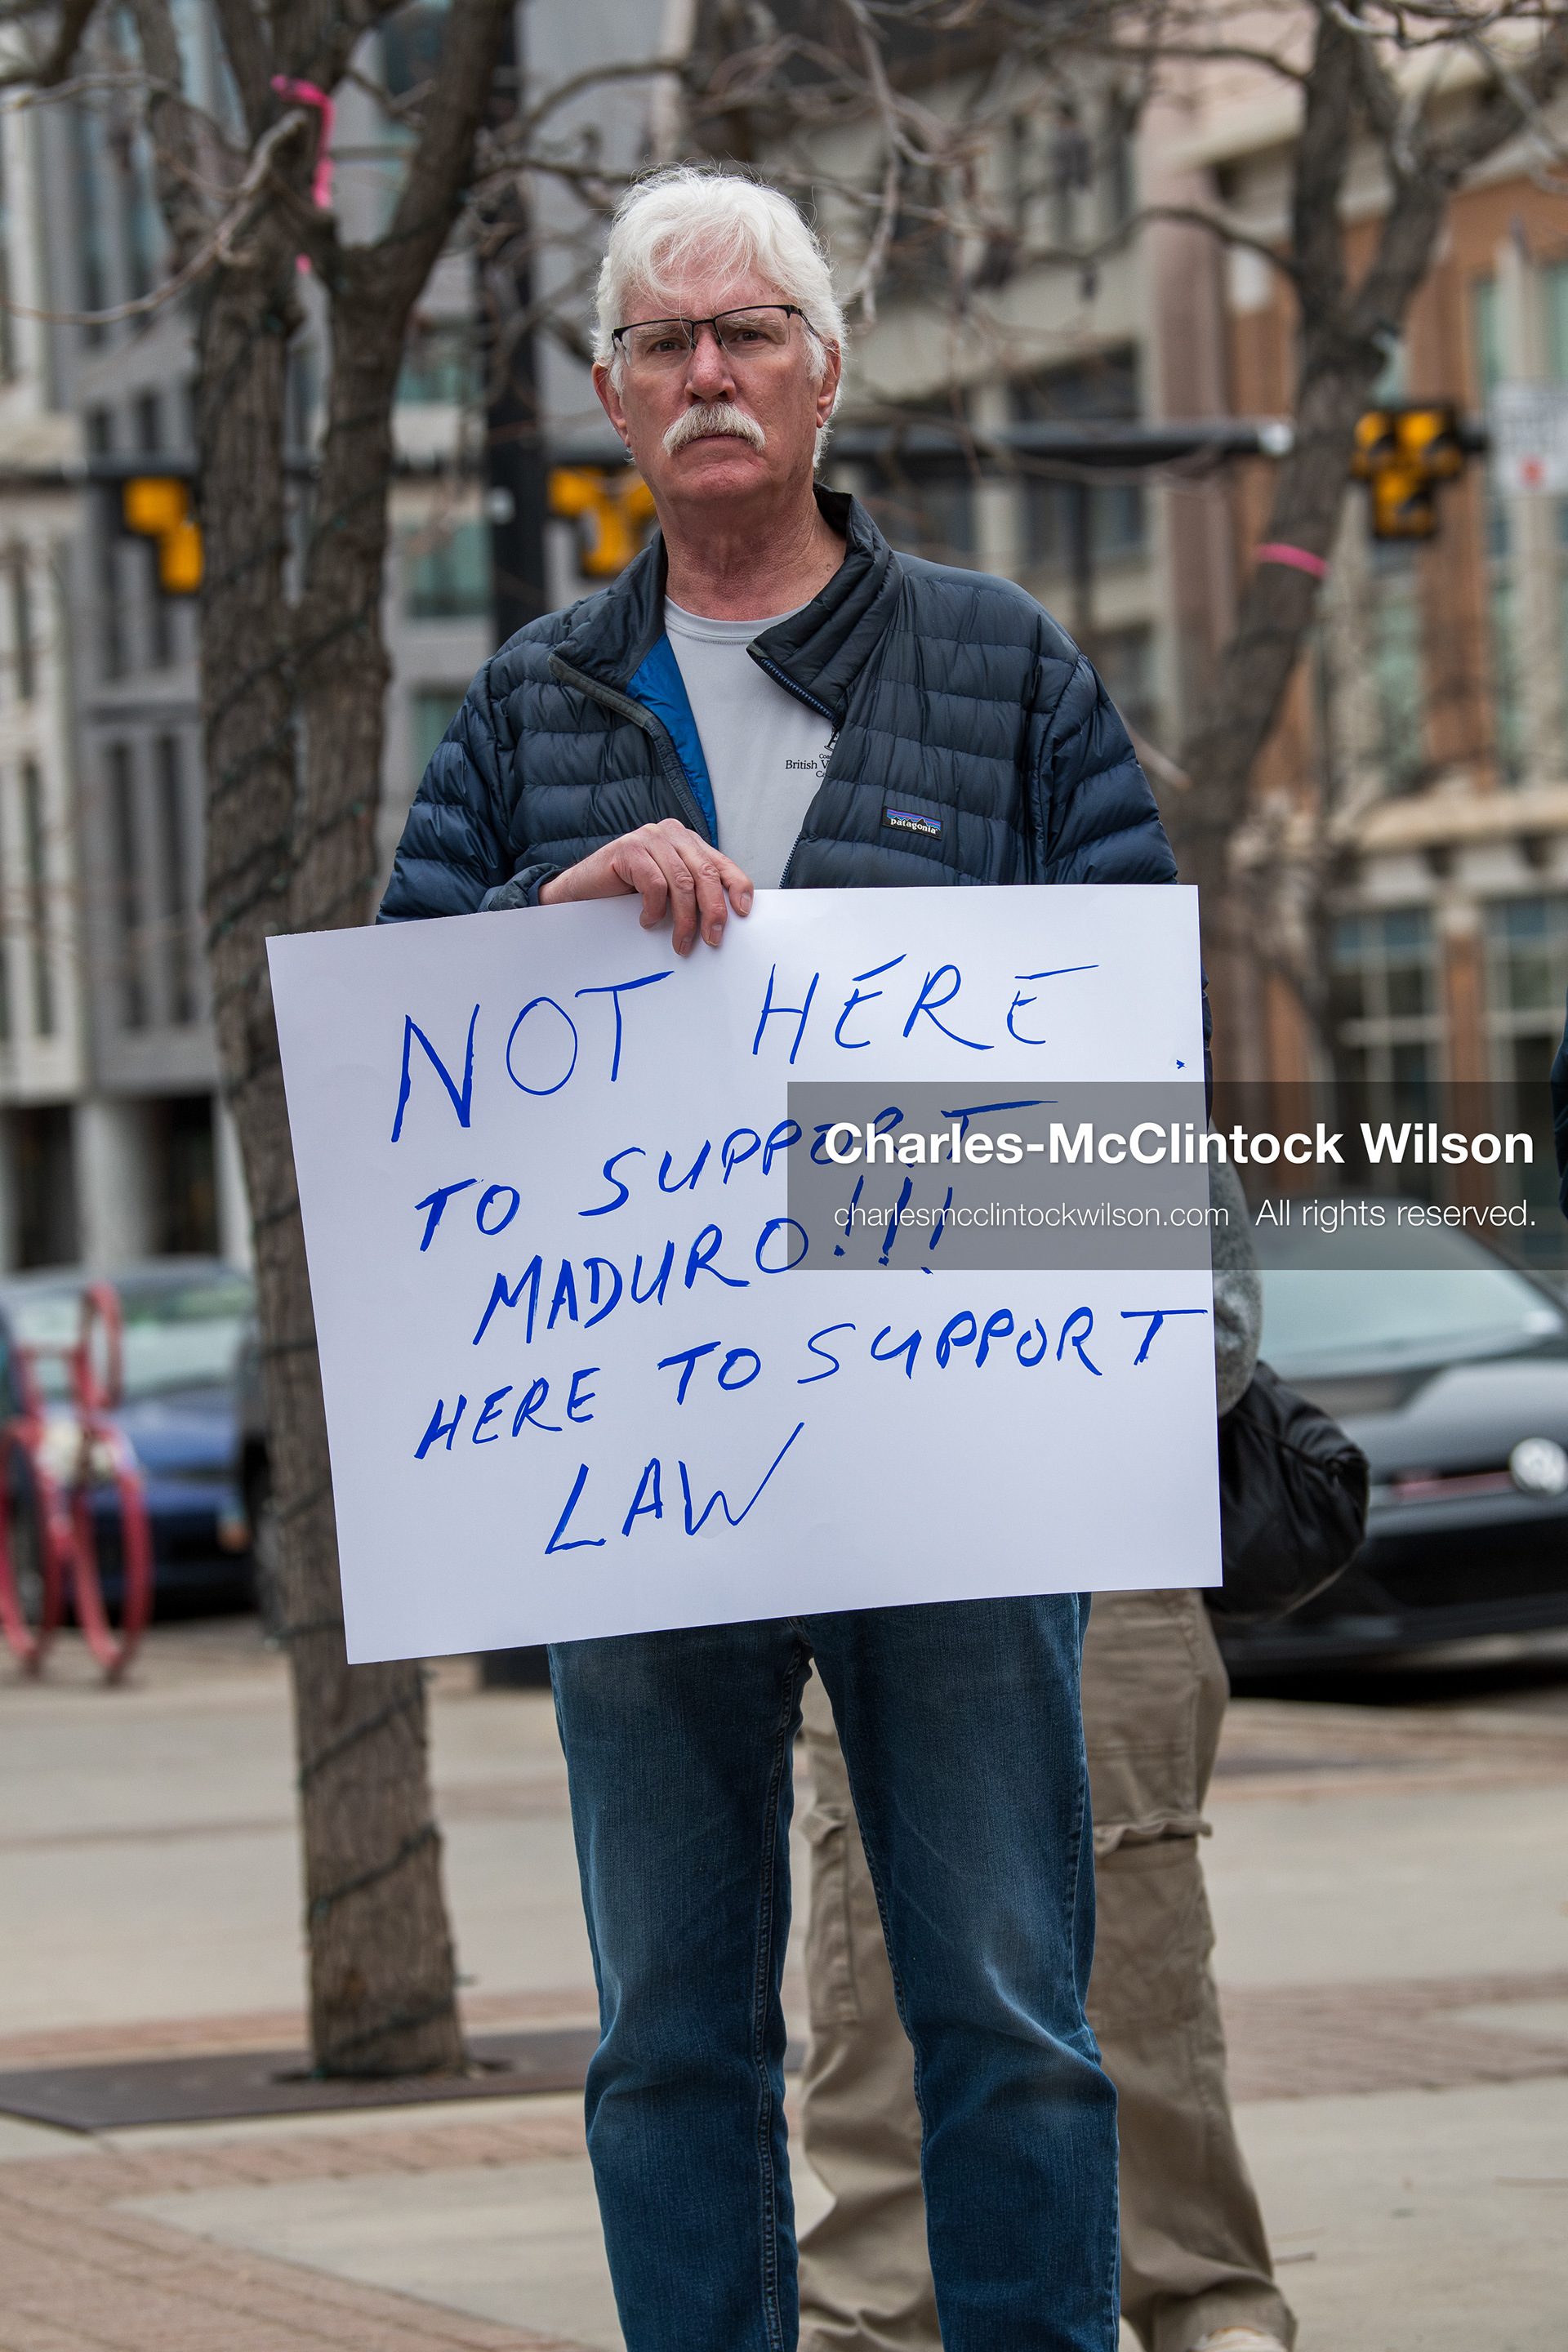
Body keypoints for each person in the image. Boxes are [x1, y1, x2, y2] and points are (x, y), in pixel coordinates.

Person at [380, 163, 1179, 2352]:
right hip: (643, 1491)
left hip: (952, 1473)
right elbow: (397, 1059)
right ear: (617, 397)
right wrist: (531, 932)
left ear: (825, 369)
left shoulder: (1001, 667)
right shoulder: (536, 697)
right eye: (662, 341)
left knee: (1009, 2012)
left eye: (749, 332)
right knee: (665, 2041)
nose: (707, 372)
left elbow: (1121, 1038)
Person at [796, 1160, 1296, 2352]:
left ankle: (1202, 2304)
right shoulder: (765, 1038)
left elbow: (1212, 1335)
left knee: (1132, 1967)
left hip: (1094, 1537)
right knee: (871, 1969)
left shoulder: (1065, 1020)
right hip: (868, 1550)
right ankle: (875, 2322)